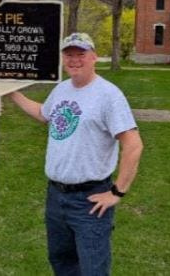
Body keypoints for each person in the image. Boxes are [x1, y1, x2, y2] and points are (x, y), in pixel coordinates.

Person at [9, 32, 143, 276]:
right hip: (56, 196)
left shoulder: (108, 95)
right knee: (62, 263)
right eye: (68, 55)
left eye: (80, 54)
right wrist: (12, 93)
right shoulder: (62, 89)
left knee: (93, 268)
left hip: (89, 200)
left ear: (94, 57)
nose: (74, 60)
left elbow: (133, 144)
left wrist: (117, 192)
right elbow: (44, 114)